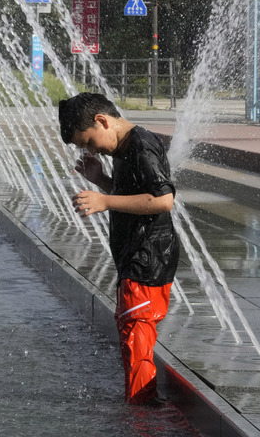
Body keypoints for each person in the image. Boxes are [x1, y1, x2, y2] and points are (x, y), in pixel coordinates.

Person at [57, 92, 179, 404]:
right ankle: (139, 403)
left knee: (135, 333)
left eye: (88, 141)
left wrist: (105, 201)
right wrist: (101, 180)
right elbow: (132, 194)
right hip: (137, 258)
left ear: (102, 121)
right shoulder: (123, 148)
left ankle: (142, 411)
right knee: (131, 332)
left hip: (148, 259)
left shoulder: (141, 145)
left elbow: (163, 200)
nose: (90, 150)